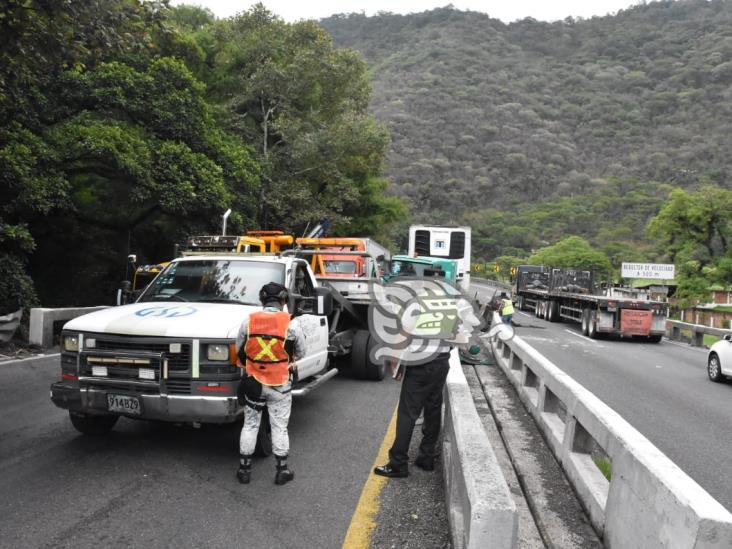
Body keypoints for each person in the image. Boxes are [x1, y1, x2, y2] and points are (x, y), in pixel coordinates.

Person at [235, 282, 305, 486]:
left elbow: (240, 349)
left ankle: (244, 470)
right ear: (284, 301)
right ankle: (282, 471)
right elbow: (302, 352)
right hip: (280, 384)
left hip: (254, 383)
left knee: (250, 424)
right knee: (279, 427)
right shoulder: (291, 324)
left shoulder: (248, 322)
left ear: (262, 300)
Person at [373, 350, 452, 478]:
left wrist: (395, 363)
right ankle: (427, 457)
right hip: (442, 361)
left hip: (421, 362)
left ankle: (397, 464)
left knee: (407, 413)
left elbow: (404, 333)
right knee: (433, 408)